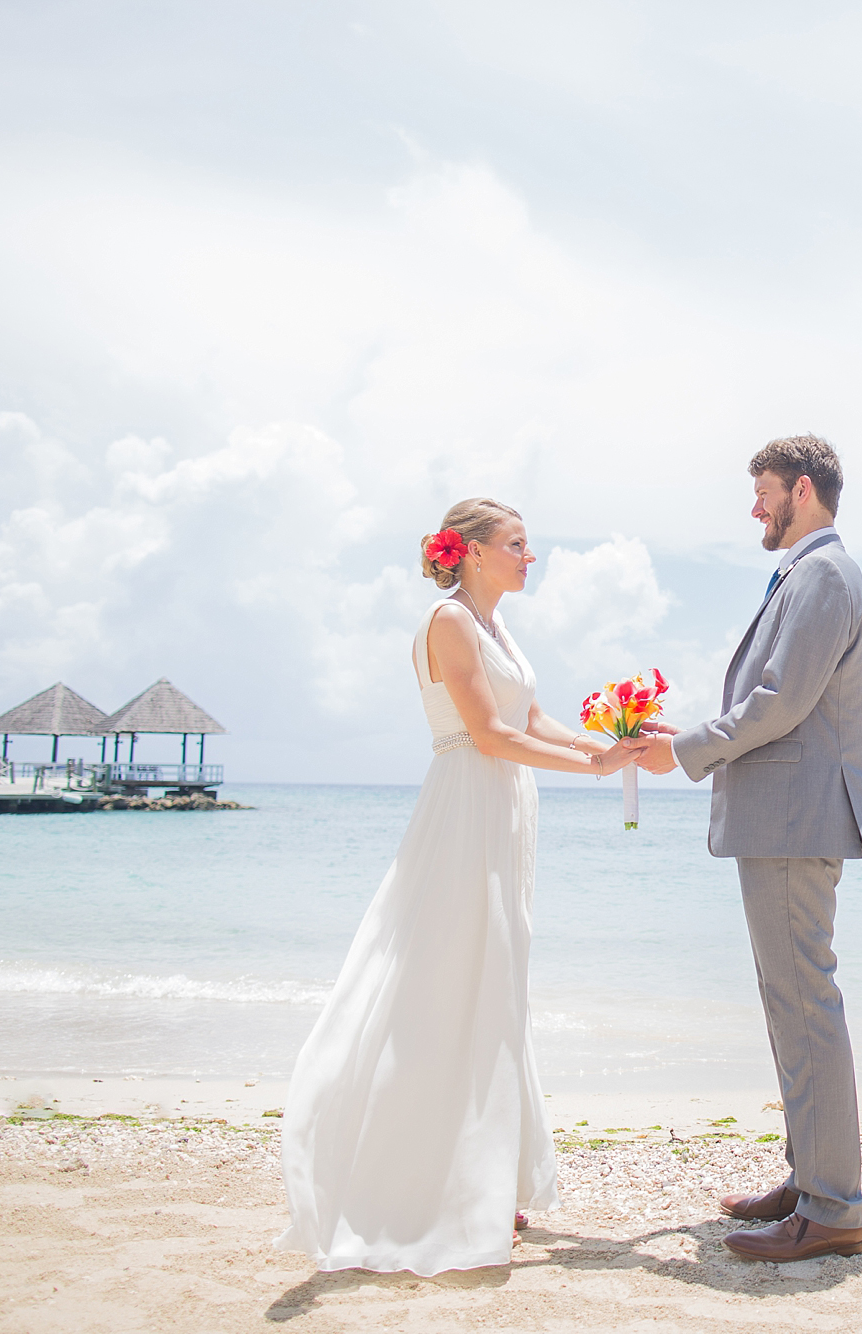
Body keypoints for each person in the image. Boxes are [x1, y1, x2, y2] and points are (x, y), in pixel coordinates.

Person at [276, 497, 632, 1276]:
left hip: (505, 809)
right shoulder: (448, 623)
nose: (528, 556)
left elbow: (532, 714)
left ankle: (484, 1173)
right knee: (446, 977)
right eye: (516, 544)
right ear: (469, 552)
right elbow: (487, 733)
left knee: (495, 983)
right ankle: (419, 1180)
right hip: (467, 803)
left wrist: (610, 744)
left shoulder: (497, 625)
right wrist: (594, 768)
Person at [623, 434, 862, 1262]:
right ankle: (813, 1182)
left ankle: (835, 1207)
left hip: (796, 822)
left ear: (801, 489)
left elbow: (779, 702)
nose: (755, 507)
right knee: (790, 1006)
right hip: (786, 818)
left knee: (805, 1005)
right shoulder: (809, 574)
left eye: (763, 491)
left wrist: (687, 749)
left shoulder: (825, 574)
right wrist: (691, 738)